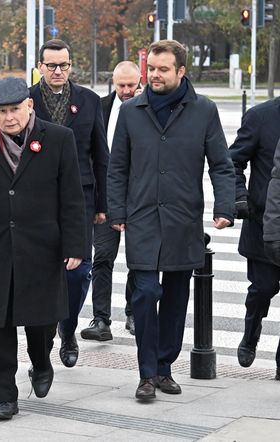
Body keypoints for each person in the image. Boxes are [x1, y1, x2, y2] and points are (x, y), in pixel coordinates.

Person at [107, 40, 235, 401]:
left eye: (164, 69)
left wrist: (225, 207)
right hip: (143, 217)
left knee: (177, 297)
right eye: (152, 68)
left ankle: (164, 368)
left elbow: (221, 164)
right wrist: (116, 211)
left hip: (183, 219)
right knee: (146, 293)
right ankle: (147, 373)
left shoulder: (204, 110)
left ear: (181, 71)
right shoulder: (132, 110)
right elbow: (117, 167)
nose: (155, 75)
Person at [0, 76, 85, 420]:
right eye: (1, 111)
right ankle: (4, 396)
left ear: (29, 105)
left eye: (15, 109)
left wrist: (75, 244)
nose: (9, 117)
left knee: (42, 322)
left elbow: (73, 198)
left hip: (43, 247)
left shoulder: (59, 139)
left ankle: (42, 362)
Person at [29, 39, 109, 368]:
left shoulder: (89, 100)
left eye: (64, 65)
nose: (58, 71)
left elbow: (100, 154)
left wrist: (104, 203)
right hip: (39, 199)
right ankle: (43, 340)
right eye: (51, 66)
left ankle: (68, 328)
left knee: (79, 274)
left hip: (82, 198)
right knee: (44, 273)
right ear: (40, 67)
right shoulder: (28, 100)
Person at [82, 61, 141, 341]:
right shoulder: (100, 107)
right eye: (122, 86)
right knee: (103, 258)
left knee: (139, 260)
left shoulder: (150, 108)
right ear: (114, 83)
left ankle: (133, 314)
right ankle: (101, 319)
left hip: (140, 198)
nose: (127, 91)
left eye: (132, 85)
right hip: (106, 198)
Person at [229, 95, 280, 377]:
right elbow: (233, 161)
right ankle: (251, 335)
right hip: (265, 224)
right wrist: (240, 197)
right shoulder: (261, 116)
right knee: (263, 288)